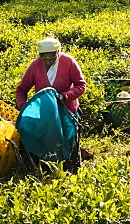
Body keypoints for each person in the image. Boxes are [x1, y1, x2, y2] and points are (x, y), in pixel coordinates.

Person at [15, 37, 87, 171]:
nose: (48, 61)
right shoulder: (35, 66)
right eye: (44, 58)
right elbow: (21, 90)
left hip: (68, 111)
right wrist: (25, 108)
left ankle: (72, 171)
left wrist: (65, 97)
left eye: (51, 57)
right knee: (45, 142)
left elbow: (81, 85)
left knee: (70, 142)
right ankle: (45, 171)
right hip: (46, 115)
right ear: (40, 56)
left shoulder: (68, 62)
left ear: (58, 53)